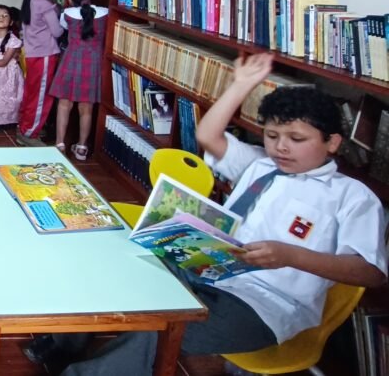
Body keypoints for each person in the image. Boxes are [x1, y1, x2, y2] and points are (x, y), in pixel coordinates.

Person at [27, 53, 388, 376]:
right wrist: (241, 85)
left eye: (297, 138)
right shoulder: (261, 165)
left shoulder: (352, 197)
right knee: (113, 265)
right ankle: (58, 347)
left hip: (264, 305)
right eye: (272, 135)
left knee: (165, 327)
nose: (280, 147)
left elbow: (369, 271)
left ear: (332, 142)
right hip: (206, 267)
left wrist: (292, 256)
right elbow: (208, 133)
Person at [48, 0, 107, 160]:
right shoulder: (106, 13)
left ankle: (59, 144)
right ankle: (82, 148)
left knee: (64, 105)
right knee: (86, 109)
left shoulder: (67, 13)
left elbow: (63, 31)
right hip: (94, 65)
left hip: (71, 61)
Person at [16, 0, 64, 145]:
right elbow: (57, 31)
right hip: (44, 56)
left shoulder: (29, 0)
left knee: (31, 92)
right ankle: (29, 133)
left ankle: (24, 126)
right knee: (41, 96)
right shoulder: (45, 5)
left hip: (30, 55)